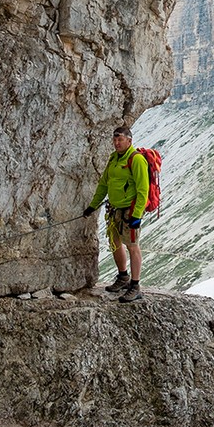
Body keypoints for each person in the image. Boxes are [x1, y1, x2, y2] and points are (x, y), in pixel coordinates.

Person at [83, 124, 149, 302]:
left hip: (129, 211)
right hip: (114, 210)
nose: (116, 143)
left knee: (132, 246)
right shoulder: (114, 159)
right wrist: (93, 205)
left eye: (120, 139)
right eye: (114, 139)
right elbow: (104, 184)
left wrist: (136, 214)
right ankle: (123, 277)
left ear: (129, 140)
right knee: (115, 242)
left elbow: (144, 189)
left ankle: (135, 286)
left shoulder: (136, 160)